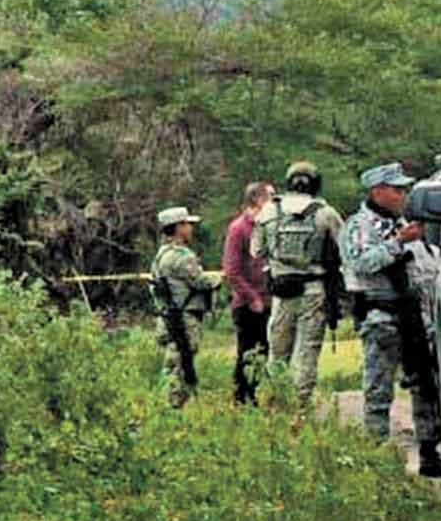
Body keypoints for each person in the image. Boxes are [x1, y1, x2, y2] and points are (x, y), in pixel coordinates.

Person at [341, 161, 441, 477]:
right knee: (378, 389)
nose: (403, 195)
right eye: (397, 189)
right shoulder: (359, 226)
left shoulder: (404, 223)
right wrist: (398, 244)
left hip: (414, 315)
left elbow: (426, 267)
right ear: (378, 191)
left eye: (404, 189)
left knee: (425, 384)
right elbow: (361, 262)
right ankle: (378, 457)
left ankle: (430, 452)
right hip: (380, 315)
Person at [256, 161, 346, 404]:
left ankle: (274, 403)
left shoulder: (269, 211)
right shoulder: (326, 213)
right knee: (307, 351)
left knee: (277, 351)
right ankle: (300, 406)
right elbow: (344, 249)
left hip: (281, 291)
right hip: (314, 290)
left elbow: (257, 250)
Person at [148, 206, 225, 409]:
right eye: (187, 224)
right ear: (178, 227)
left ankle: (169, 405)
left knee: (174, 362)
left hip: (168, 316)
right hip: (184, 318)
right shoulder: (182, 256)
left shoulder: (160, 255)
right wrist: (216, 279)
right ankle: (171, 407)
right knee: (180, 364)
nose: (190, 228)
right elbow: (199, 281)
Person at [221, 181, 273, 404]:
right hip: (248, 304)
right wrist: (252, 298)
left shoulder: (269, 226)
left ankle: (259, 396)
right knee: (248, 352)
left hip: (270, 301)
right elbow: (231, 270)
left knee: (266, 352)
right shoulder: (239, 229)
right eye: (270, 197)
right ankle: (241, 399)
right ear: (257, 200)